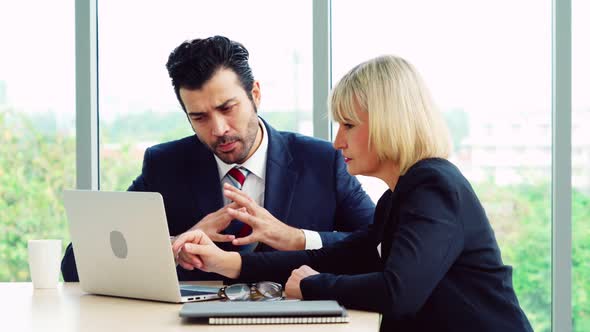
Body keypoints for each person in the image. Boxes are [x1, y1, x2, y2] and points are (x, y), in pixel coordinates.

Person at [170, 55, 533, 331]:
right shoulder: (399, 198)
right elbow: (341, 255)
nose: (337, 140)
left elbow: (398, 293)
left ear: (391, 121)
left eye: (349, 124)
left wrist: (312, 286)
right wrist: (230, 263)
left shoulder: (434, 187)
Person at [60, 36, 375, 281]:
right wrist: (176, 243)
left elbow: (381, 247)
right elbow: (76, 262)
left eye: (227, 108)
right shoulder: (166, 164)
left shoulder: (321, 161)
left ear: (255, 94)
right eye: (199, 117)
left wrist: (298, 239)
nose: (219, 129)